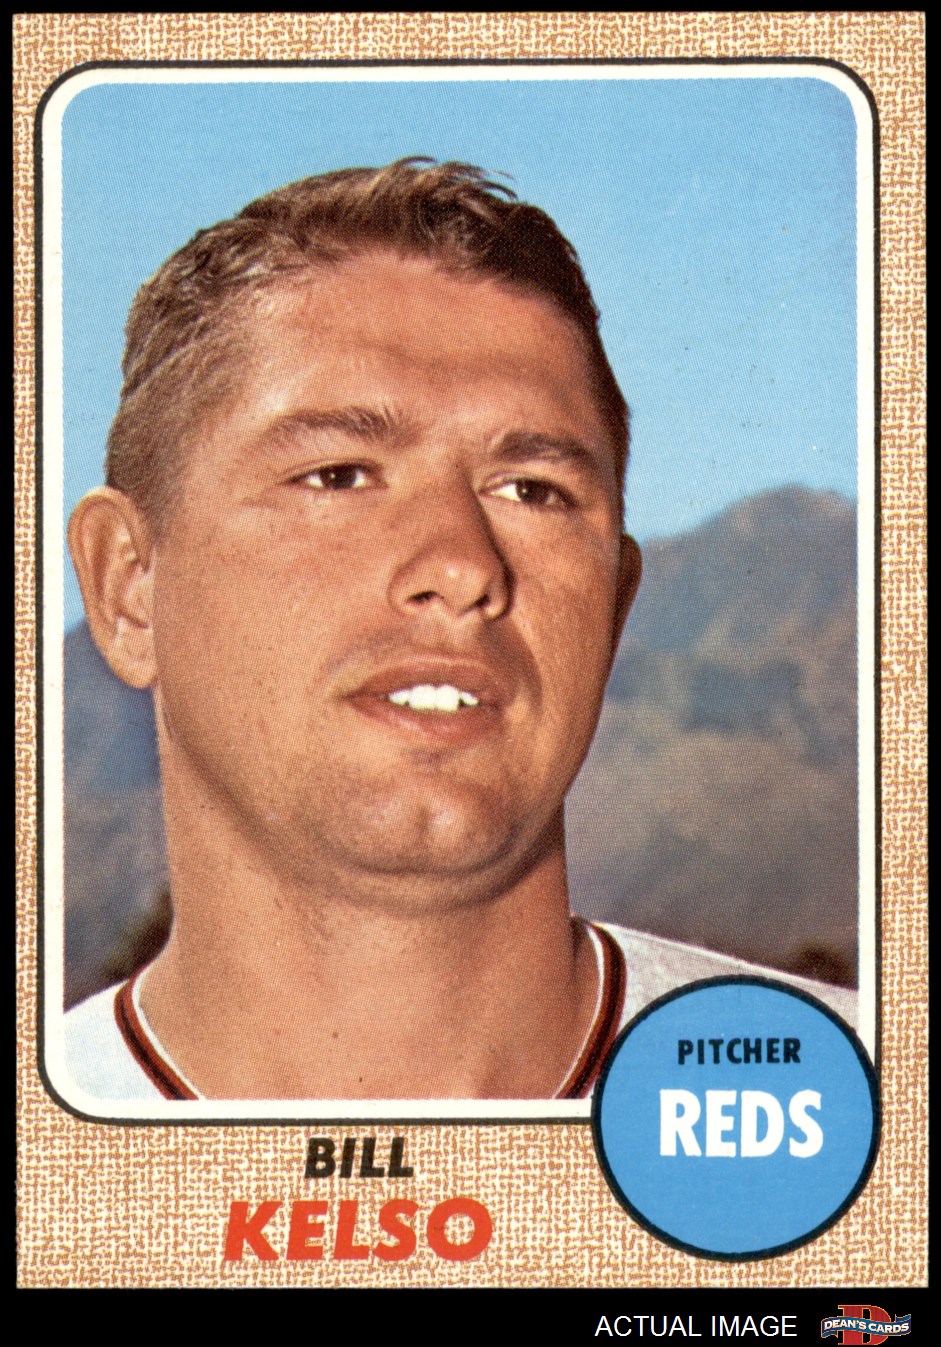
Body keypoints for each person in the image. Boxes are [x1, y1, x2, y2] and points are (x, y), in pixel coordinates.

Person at [63, 159, 854, 1103]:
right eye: (338, 475)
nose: (462, 563)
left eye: (532, 490)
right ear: (129, 588)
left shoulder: (854, 1103)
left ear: (612, 607)